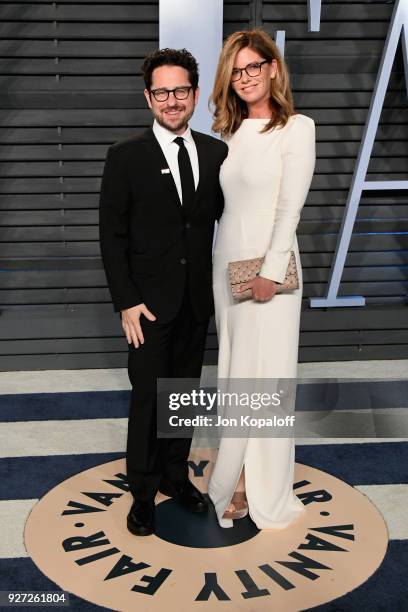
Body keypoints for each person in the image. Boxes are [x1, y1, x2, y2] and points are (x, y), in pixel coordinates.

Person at [99, 48, 228, 536]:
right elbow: (110, 236)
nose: (171, 100)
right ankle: (142, 490)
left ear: (194, 95)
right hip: (147, 306)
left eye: (180, 91)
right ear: (148, 96)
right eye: (161, 91)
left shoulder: (217, 153)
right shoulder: (125, 156)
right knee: (148, 398)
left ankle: (175, 477)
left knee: (183, 396)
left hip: (196, 299)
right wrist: (126, 301)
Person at [207, 29, 316, 529]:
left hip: (267, 274)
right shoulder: (227, 133)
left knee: (264, 380)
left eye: (255, 66)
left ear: (273, 68)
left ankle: (255, 485)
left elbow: (290, 207)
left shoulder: (297, 128)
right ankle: (234, 473)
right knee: (235, 376)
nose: (246, 77)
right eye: (237, 69)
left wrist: (271, 273)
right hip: (225, 267)